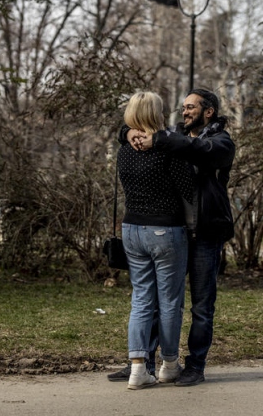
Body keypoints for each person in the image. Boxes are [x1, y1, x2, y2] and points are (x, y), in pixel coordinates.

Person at [125, 88, 236, 387]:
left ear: (208, 111)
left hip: (204, 235)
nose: (184, 112)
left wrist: (159, 139)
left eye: (190, 107)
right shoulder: (174, 135)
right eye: (183, 107)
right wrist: (129, 132)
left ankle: (195, 366)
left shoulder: (221, 142)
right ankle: (143, 363)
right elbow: (144, 129)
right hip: (172, 232)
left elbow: (198, 150)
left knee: (201, 305)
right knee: (157, 301)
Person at [115, 91, 196, 390]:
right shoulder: (167, 150)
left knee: (141, 299)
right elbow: (188, 188)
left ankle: (138, 369)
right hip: (165, 231)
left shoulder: (124, 150)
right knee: (170, 301)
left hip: (132, 229)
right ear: (156, 113)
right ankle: (169, 365)